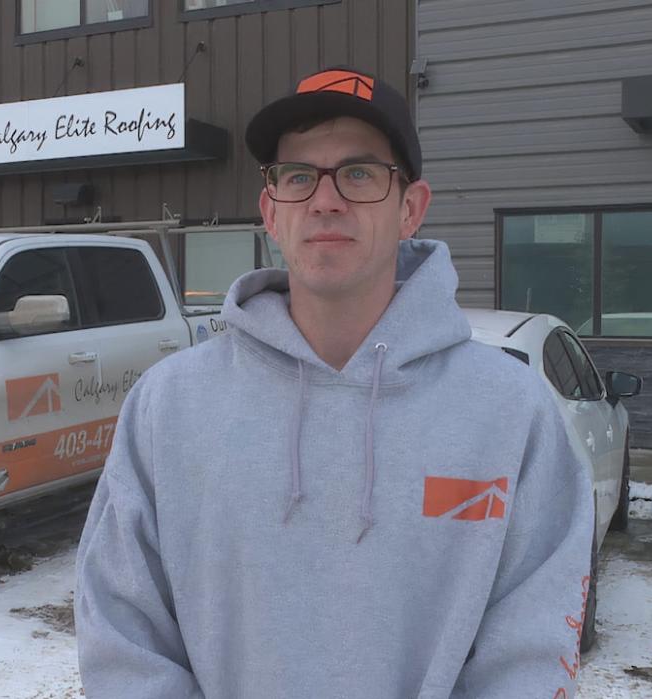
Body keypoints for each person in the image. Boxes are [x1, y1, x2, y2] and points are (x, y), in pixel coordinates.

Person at [75, 66, 594, 699]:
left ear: (411, 208)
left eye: (360, 173)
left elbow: (530, 651)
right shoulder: (168, 406)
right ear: (271, 209)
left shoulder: (512, 412)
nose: (326, 200)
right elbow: (123, 634)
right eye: (298, 176)